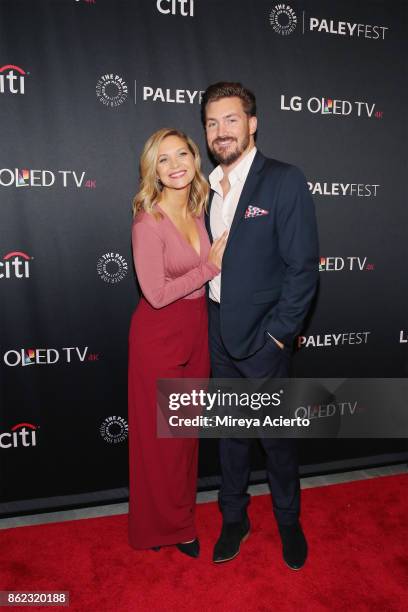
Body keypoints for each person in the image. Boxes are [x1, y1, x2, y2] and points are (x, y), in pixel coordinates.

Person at [202, 82, 319, 568]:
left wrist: (278, 335)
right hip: (218, 331)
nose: (220, 132)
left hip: (264, 339)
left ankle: (288, 521)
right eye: (211, 123)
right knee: (231, 436)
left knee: (276, 439)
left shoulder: (283, 179)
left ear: (252, 124)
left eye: (231, 120)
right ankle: (235, 519)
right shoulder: (206, 187)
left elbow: (303, 268)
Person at [128, 128, 226, 558]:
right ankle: (156, 528)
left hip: (196, 329)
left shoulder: (201, 208)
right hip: (158, 335)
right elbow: (156, 294)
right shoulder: (147, 221)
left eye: (181, 154)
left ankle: (182, 522)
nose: (175, 165)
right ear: (153, 170)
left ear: (194, 157)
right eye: (163, 159)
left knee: (184, 438)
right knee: (157, 441)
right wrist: (209, 267)